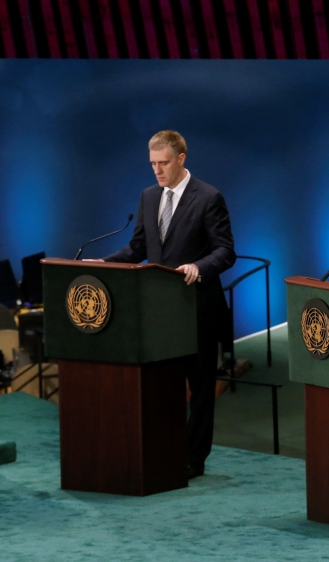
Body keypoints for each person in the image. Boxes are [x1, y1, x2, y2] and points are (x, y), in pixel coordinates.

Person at [101, 130, 236, 479]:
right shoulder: (149, 197)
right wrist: (103, 265)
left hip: (198, 309)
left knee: (201, 388)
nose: (157, 171)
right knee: (164, 386)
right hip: (161, 310)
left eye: (163, 163)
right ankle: (168, 447)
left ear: (181, 159)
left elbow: (225, 251)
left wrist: (198, 266)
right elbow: (137, 249)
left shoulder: (208, 197)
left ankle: (195, 458)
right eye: (152, 164)